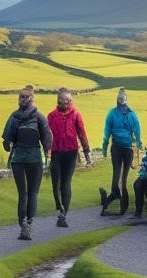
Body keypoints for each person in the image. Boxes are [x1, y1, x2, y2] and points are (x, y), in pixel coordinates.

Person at [2, 85, 53, 241]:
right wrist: (48, 155)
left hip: (18, 158)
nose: (23, 99)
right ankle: (28, 224)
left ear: (31, 98)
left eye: (25, 97)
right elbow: (47, 138)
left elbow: (6, 141)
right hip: (34, 158)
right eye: (21, 97)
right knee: (33, 193)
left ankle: (23, 223)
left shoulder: (14, 117)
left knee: (22, 193)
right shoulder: (39, 117)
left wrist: (9, 145)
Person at [46, 87, 92, 228]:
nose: (65, 102)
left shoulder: (76, 114)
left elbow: (82, 133)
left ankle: (63, 214)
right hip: (56, 152)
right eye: (63, 99)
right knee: (55, 184)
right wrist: (46, 153)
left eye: (68, 100)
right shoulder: (51, 116)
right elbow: (46, 136)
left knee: (65, 182)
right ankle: (59, 206)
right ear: (58, 100)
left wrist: (86, 151)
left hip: (71, 152)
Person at [99, 87, 143, 216]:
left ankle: (119, 197)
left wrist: (104, 146)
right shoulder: (123, 114)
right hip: (121, 148)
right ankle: (117, 195)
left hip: (122, 148)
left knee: (120, 174)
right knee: (119, 174)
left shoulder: (118, 114)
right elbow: (108, 131)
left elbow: (108, 132)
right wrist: (105, 147)